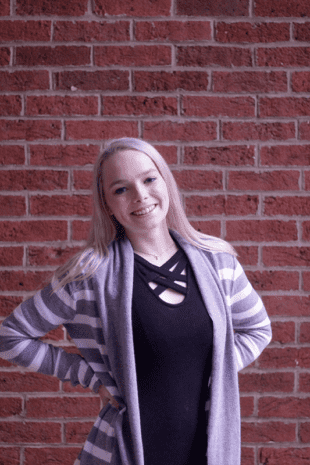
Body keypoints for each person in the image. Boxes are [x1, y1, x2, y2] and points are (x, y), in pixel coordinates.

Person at [0, 137, 271, 465]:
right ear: (107, 203)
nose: (140, 196)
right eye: (121, 189)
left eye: (149, 179)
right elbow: (10, 337)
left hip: (209, 448)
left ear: (165, 181)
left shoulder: (218, 262)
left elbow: (257, 330)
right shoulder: (91, 274)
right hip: (126, 451)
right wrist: (90, 377)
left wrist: (220, 370)